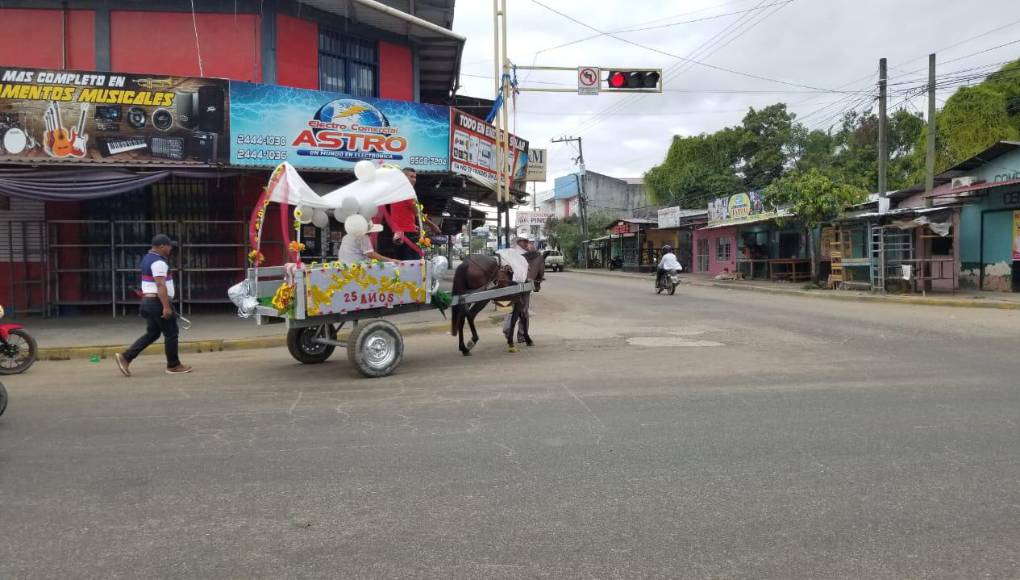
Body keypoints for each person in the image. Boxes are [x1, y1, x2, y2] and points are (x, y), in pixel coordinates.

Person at [116, 234, 192, 376]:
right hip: (157, 302)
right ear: (162, 246)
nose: (171, 249)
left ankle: (125, 357)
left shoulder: (147, 259)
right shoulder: (158, 262)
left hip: (148, 302)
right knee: (171, 334)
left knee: (153, 333)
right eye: (169, 246)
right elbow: (160, 285)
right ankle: (173, 365)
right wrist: (166, 306)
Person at [380, 168, 422, 261]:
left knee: (400, 263)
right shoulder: (407, 192)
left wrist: (413, 224)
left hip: (398, 233)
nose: (414, 179)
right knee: (411, 263)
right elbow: (417, 212)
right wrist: (432, 225)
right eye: (411, 177)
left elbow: (402, 213)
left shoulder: (396, 192)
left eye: (415, 177)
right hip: (408, 234)